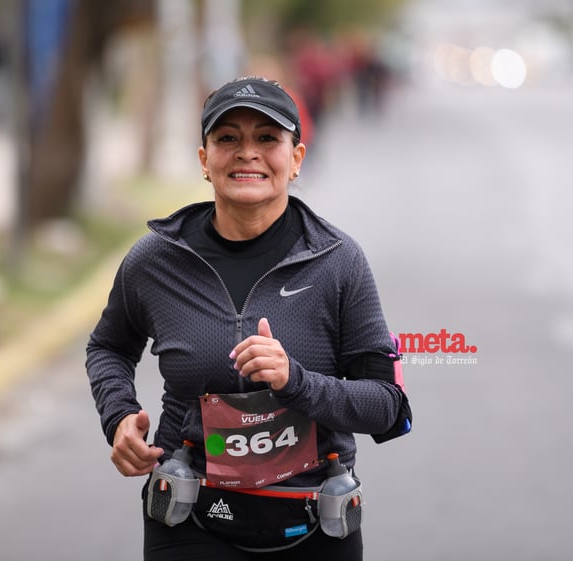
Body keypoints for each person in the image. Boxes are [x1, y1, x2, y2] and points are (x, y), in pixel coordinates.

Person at [85, 76, 411, 561]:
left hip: (313, 518)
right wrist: (118, 416)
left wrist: (295, 381)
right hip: (188, 515)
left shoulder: (339, 261)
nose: (247, 153)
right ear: (204, 160)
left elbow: (388, 406)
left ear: (296, 158)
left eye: (267, 138)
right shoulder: (156, 260)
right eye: (227, 138)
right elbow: (108, 347)